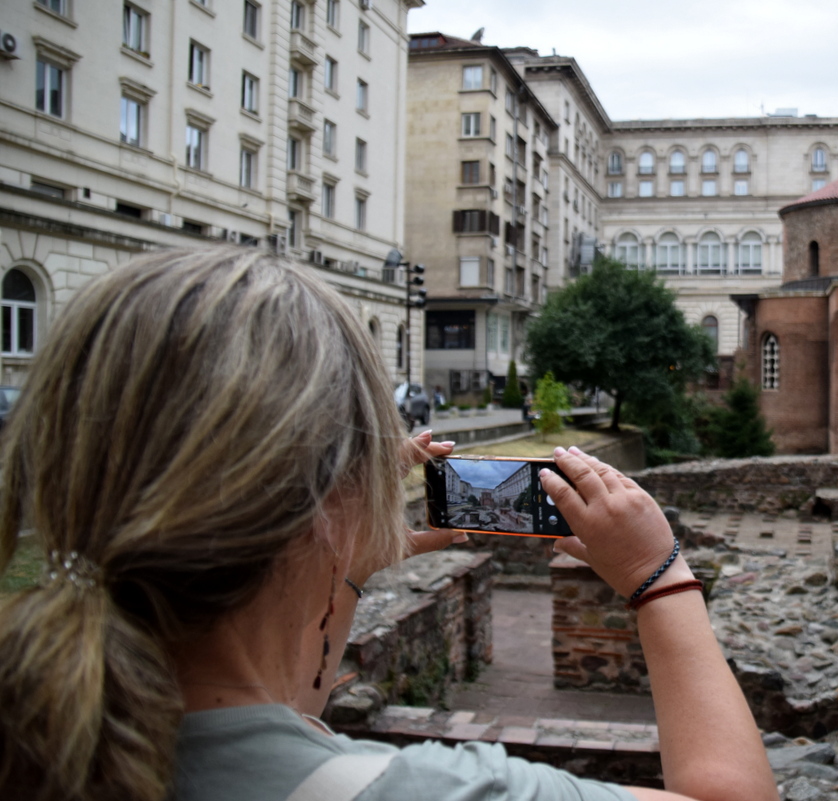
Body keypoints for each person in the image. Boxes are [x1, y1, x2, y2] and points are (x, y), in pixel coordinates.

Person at [0, 248, 775, 801]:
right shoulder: (426, 789)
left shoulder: (38, 725)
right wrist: (658, 578)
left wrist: (343, 553)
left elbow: (267, 708)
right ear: (334, 499)